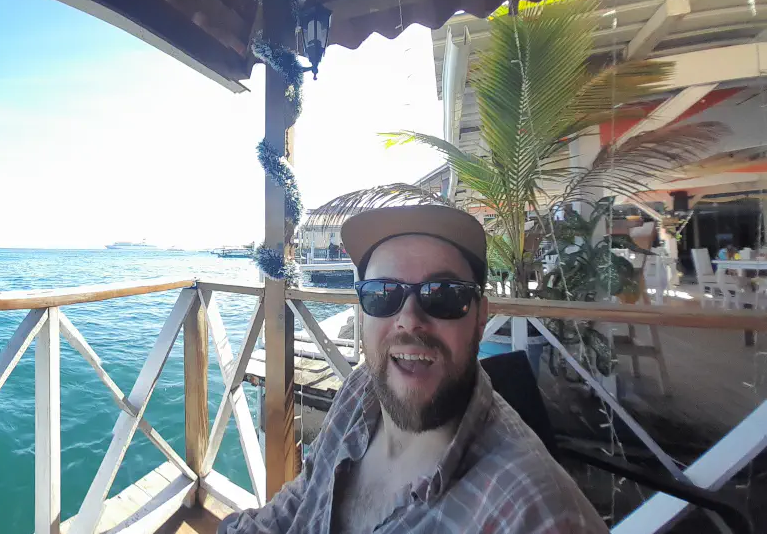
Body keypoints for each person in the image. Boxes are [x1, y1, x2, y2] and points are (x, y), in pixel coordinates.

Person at [220, 205, 604, 533]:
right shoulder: (362, 389)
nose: (409, 320)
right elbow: (305, 496)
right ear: (362, 308)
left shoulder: (534, 513)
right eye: (382, 294)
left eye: (444, 296)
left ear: (481, 317)